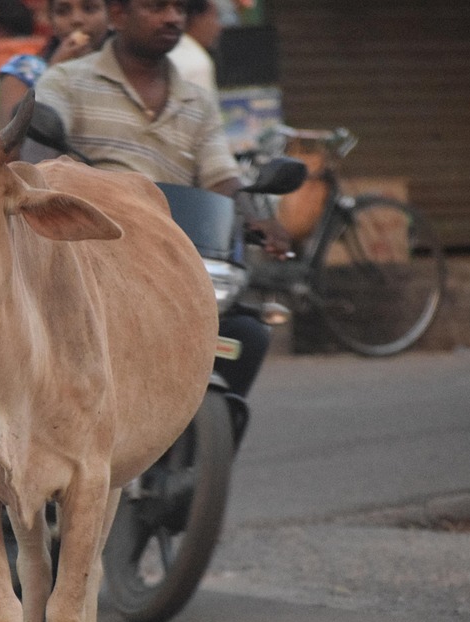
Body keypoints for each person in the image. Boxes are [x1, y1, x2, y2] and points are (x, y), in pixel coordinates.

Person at [34, 0, 290, 398]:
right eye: (156, 7)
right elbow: (38, 156)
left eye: (179, 8)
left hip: (172, 263)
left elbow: (221, 176)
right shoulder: (66, 82)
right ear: (118, 15)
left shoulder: (197, 102)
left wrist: (258, 215)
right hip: (91, 265)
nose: (173, 17)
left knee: (247, 335)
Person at [0, 0, 111, 127]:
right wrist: (53, 74)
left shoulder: (128, 70)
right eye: (62, 11)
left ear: (112, 15)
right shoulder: (23, 72)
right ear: (50, 19)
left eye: (89, 9)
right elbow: (12, 141)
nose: (76, 19)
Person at [168, 0, 220, 92]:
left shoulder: (166, 50)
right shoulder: (197, 63)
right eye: (215, 17)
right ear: (197, 18)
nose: (218, 26)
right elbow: (201, 106)